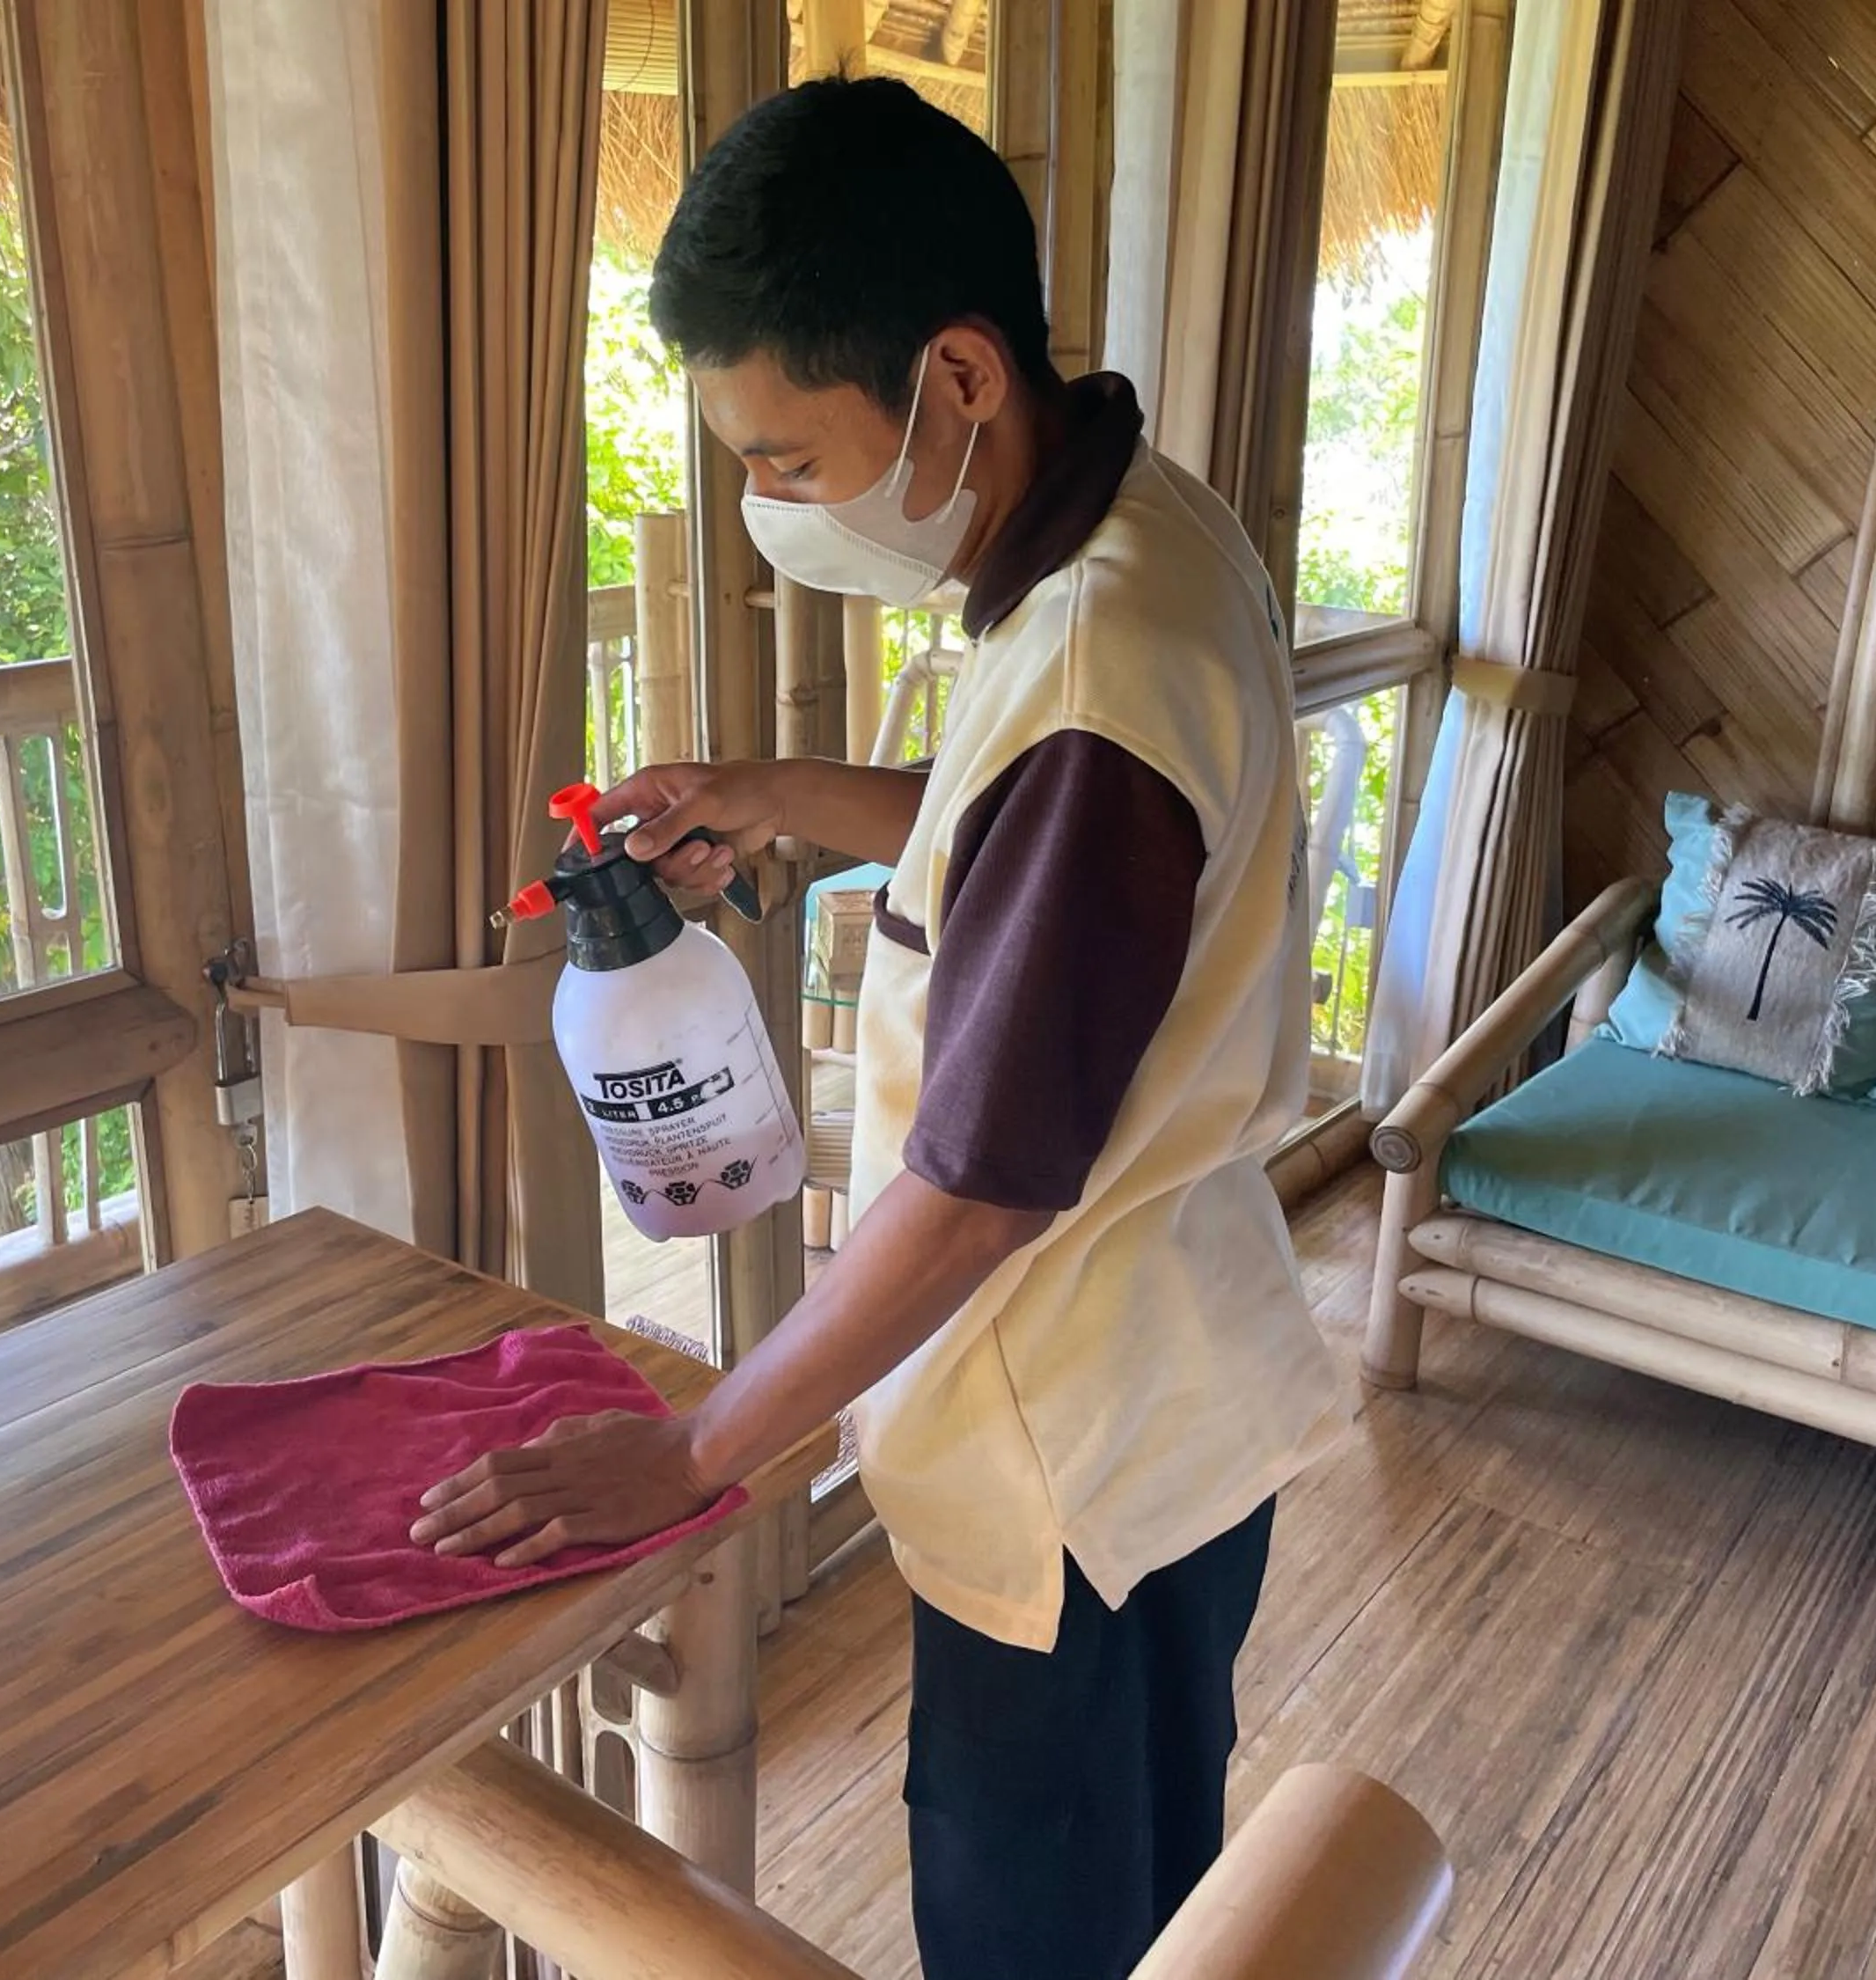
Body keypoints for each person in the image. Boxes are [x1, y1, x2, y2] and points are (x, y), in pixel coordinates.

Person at [412, 75, 1352, 1980]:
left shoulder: (1096, 676)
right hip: (1176, 1388)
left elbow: (983, 1188)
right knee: (1158, 1878)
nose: (769, 509)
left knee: (1045, 1928)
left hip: (1066, 1453)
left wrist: (700, 1452)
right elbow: (1013, 821)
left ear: (958, 378)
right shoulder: (1132, 532)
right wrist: (775, 792)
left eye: (783, 460)